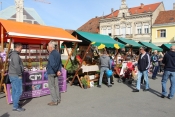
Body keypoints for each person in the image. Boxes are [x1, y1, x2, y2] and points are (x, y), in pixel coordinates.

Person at [8, 43, 25, 112]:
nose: (21, 49)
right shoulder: (15, 55)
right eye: (21, 48)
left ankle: (15, 103)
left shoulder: (12, 54)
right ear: (17, 47)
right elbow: (17, 66)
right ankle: (15, 106)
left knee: (15, 91)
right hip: (16, 75)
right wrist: (20, 74)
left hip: (12, 74)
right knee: (19, 91)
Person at [47, 41, 62, 106]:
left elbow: (53, 64)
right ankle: (58, 99)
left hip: (51, 72)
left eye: (48, 46)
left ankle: (54, 100)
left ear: (50, 47)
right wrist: (58, 70)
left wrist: (56, 71)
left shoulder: (52, 54)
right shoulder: (58, 53)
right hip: (56, 72)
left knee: (52, 86)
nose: (47, 47)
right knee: (56, 86)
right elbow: (60, 63)